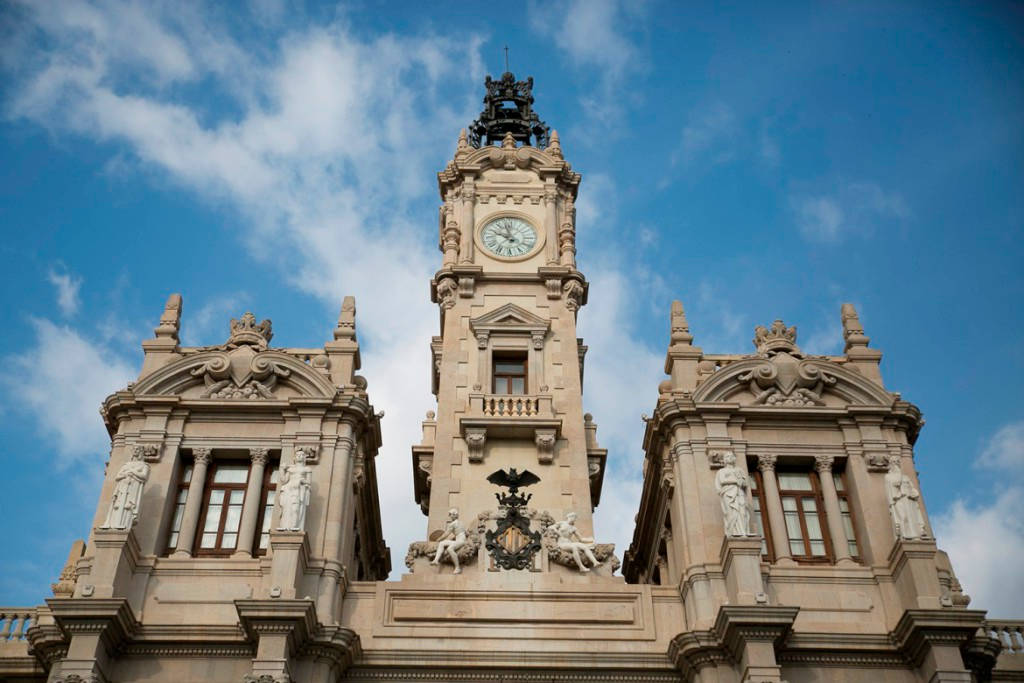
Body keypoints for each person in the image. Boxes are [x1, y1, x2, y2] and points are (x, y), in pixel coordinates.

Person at [101, 449, 150, 530]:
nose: (136, 452)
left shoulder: (144, 465)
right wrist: (126, 474)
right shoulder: (126, 465)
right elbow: (118, 476)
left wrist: (132, 472)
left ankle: (125, 524)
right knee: (118, 505)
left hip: (133, 487)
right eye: (135, 450)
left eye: (138, 450)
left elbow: (144, 476)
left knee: (128, 506)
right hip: (122, 486)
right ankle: (113, 524)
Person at [885, 456, 927, 539]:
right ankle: (904, 536)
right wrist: (899, 474)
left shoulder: (905, 477)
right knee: (903, 517)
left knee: (912, 518)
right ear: (891, 464)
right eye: (894, 462)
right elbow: (893, 487)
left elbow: (912, 488)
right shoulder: (888, 477)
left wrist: (913, 493)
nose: (896, 463)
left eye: (897, 461)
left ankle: (916, 536)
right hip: (899, 499)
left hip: (909, 499)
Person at [714, 451, 751, 537]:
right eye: (727, 456)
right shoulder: (722, 471)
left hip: (739, 492)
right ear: (724, 460)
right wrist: (735, 481)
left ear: (734, 458)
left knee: (743, 512)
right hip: (728, 493)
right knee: (732, 512)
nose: (729, 458)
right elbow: (722, 481)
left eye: (731, 456)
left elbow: (745, 483)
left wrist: (741, 482)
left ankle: (743, 532)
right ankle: (734, 532)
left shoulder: (739, 470)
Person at [277, 449, 313, 532]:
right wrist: (282, 469)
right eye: (297, 455)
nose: (299, 456)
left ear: (304, 458)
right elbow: (284, 480)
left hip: (299, 490)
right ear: (294, 458)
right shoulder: (291, 469)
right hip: (288, 489)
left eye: (301, 455)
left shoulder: (307, 469)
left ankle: (294, 525)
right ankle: (284, 526)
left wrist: (301, 481)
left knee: (295, 508)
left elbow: (308, 482)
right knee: (286, 508)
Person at [431, 508, 467, 574]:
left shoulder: (453, 524)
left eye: (450, 514)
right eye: (450, 515)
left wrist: (437, 540)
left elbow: (445, 535)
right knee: (442, 543)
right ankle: (436, 560)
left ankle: (457, 567)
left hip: (461, 541)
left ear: (454, 515)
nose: (450, 516)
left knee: (450, 549)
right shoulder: (461, 523)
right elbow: (465, 533)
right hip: (459, 540)